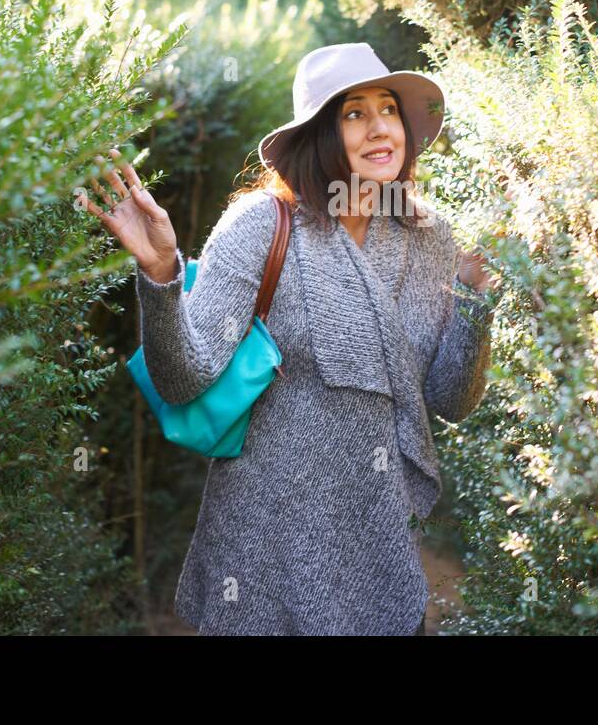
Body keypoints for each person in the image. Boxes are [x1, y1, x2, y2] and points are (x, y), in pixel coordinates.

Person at [80, 42, 497, 635]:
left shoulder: (425, 236)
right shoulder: (261, 225)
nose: (381, 128)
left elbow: (451, 401)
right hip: (263, 541)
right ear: (321, 133)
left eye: (388, 109)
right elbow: (183, 379)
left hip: (374, 537)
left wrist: (474, 302)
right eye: (354, 113)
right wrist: (161, 274)